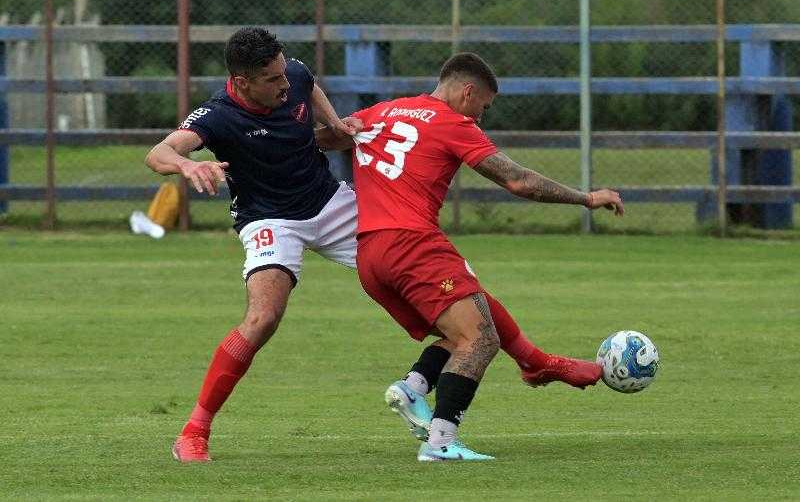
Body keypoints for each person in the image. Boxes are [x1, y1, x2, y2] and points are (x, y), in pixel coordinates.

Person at [317, 52, 623, 461]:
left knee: (466, 326)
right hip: (413, 245)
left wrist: (324, 129)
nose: (480, 117)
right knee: (480, 338)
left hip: (370, 255)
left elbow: (326, 137)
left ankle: (414, 387)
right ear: (468, 91)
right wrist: (586, 198)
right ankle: (441, 442)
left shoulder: (381, 112)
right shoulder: (452, 123)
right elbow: (519, 180)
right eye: (483, 106)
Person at [144, 27, 361, 462]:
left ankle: (513, 355)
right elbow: (159, 153)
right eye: (272, 80)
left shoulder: (293, 74)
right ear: (243, 82)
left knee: (415, 268)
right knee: (262, 317)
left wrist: (333, 124)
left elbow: (307, 83)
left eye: (284, 73)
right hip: (269, 219)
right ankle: (193, 432)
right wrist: (187, 165)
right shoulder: (218, 114)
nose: (285, 84)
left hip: (329, 201)